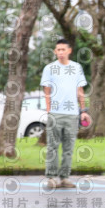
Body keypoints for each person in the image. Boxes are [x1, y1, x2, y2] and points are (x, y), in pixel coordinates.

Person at [40, 38, 89, 189]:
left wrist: (83, 111)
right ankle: (51, 177)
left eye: (63, 49)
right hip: (55, 113)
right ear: (55, 52)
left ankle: (65, 178)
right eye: (58, 50)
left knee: (69, 148)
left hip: (72, 114)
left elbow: (80, 90)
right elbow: (47, 90)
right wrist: (49, 110)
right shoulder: (49, 68)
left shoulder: (76, 67)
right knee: (52, 147)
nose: (61, 52)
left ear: (69, 51)